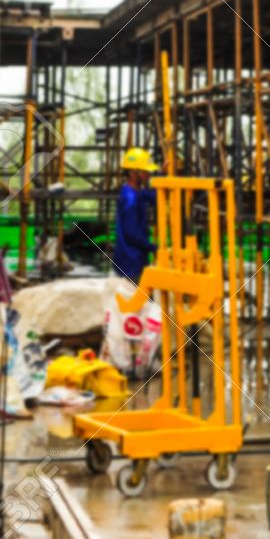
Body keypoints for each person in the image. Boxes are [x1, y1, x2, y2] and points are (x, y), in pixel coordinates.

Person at [103, 147, 160, 373]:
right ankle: (134, 361)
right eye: (145, 172)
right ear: (134, 173)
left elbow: (153, 196)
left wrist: (165, 177)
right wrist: (153, 247)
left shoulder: (133, 193)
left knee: (137, 309)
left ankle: (134, 358)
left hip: (132, 259)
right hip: (131, 261)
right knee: (136, 310)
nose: (148, 175)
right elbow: (133, 233)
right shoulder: (129, 198)